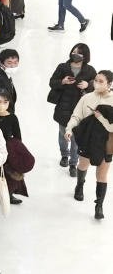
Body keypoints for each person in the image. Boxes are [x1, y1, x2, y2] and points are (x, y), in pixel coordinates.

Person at [65, 69, 113, 219]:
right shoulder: (87, 98)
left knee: (102, 173)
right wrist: (69, 129)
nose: (96, 83)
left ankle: (99, 206)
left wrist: (101, 119)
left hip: (107, 141)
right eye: (96, 80)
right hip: (88, 138)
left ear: (109, 84)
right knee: (83, 164)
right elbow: (76, 115)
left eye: (100, 81)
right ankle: (80, 185)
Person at [48, 43, 95, 175]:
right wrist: (62, 82)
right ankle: (64, 155)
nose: (76, 55)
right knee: (64, 136)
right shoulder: (63, 67)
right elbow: (52, 82)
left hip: (80, 110)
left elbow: (96, 86)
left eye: (79, 53)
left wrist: (88, 85)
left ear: (85, 56)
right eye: (74, 51)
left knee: (76, 139)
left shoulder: (90, 70)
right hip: (63, 108)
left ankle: (73, 163)